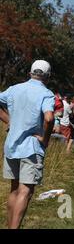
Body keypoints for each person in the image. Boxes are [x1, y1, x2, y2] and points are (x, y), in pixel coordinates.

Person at [0, 60, 54, 229]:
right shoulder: (46, 93)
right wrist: (45, 139)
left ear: (30, 73)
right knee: (26, 191)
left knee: (14, 190)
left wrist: (10, 122)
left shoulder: (14, 89)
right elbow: (49, 118)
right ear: (48, 76)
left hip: (11, 145)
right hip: (30, 147)